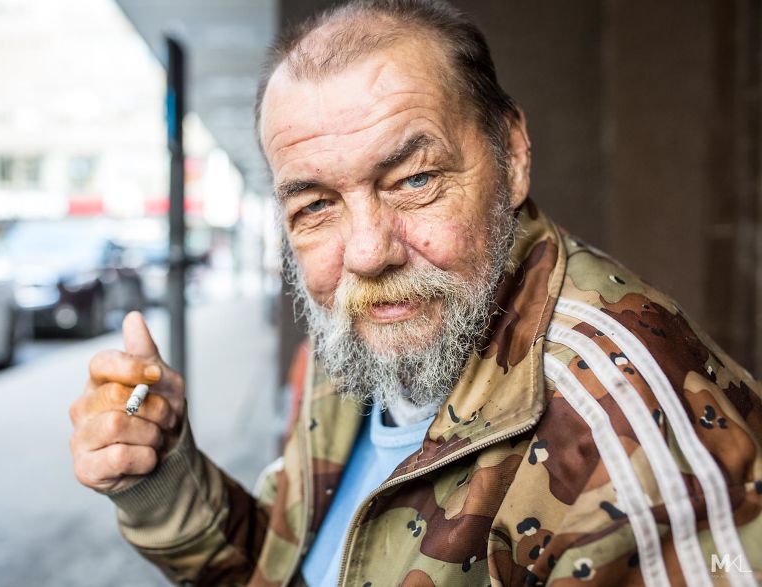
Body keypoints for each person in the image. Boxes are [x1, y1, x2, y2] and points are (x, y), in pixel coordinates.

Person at [68, 1, 762, 585]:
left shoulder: (624, 437)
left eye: (414, 179)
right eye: (315, 206)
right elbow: (293, 564)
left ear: (511, 157)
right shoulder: (356, 339)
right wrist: (160, 480)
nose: (368, 253)